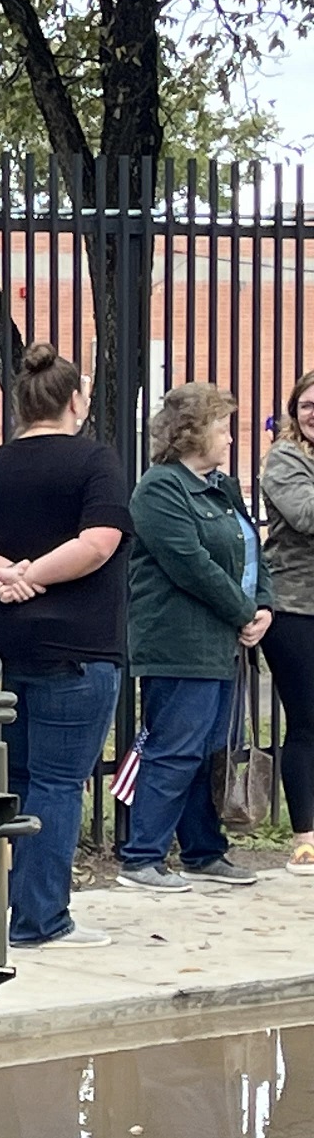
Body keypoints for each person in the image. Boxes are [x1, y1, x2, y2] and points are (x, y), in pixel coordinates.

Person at [0, 345, 132, 949]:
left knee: (11, 778)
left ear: (19, 402)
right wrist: (36, 574)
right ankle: (41, 919)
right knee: (56, 783)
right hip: (76, 645)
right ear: (76, 401)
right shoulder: (96, 461)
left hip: (1, 643)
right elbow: (99, 542)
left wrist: (2, 574)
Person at [116, 383, 270, 891]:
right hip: (179, 642)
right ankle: (142, 857)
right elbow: (190, 564)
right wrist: (244, 610)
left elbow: (251, 549)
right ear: (192, 432)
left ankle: (204, 851)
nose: (230, 437)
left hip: (224, 638)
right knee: (176, 748)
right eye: (222, 426)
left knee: (211, 750)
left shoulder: (221, 487)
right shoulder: (160, 488)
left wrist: (262, 606)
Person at [260, 370, 314, 877]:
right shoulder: (285, 459)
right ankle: (304, 837)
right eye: (306, 405)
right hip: (295, 608)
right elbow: (305, 515)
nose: (312, 412)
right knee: (307, 721)